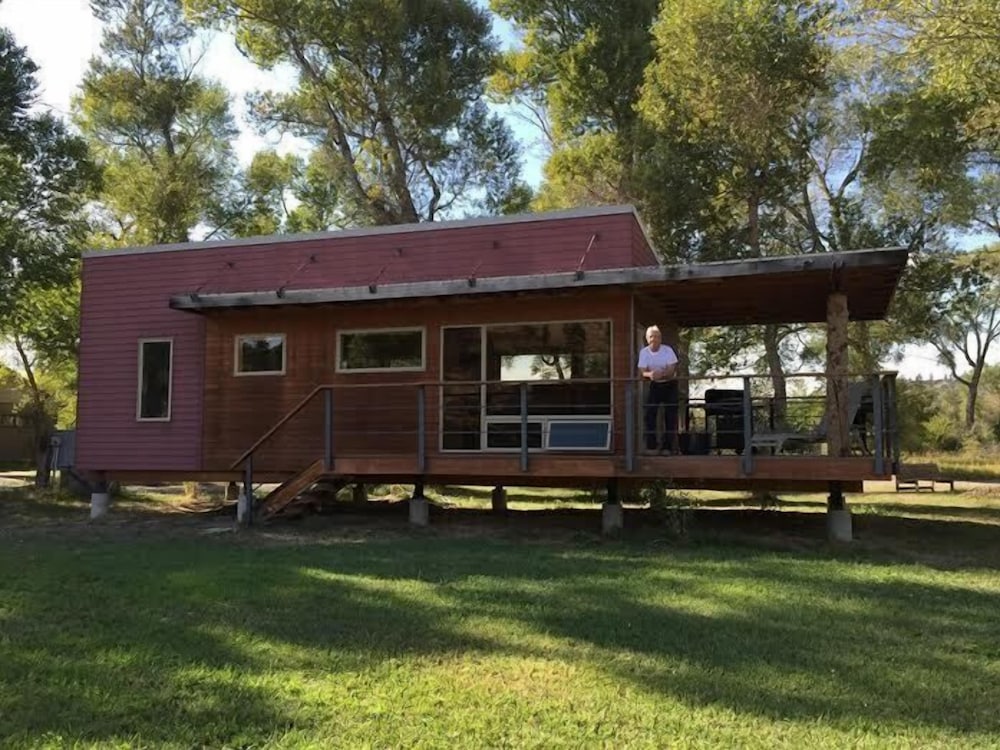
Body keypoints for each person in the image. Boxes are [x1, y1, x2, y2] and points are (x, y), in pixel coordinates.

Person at [637, 325, 679, 455]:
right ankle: (652, 447)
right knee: (650, 415)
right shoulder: (644, 352)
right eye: (651, 337)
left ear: (660, 339)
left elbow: (672, 369)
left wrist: (663, 374)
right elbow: (642, 371)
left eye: (657, 337)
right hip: (655, 385)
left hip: (670, 384)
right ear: (647, 339)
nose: (654, 339)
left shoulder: (668, 350)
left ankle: (667, 447)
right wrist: (650, 375)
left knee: (670, 416)